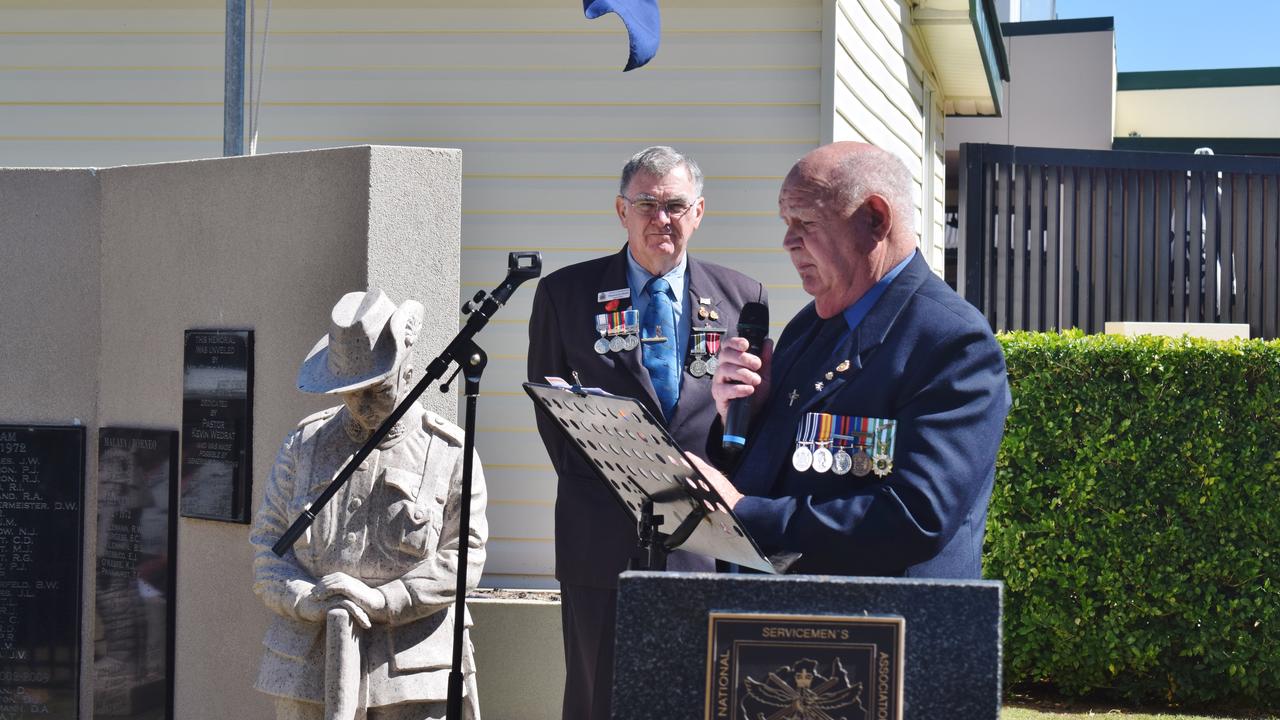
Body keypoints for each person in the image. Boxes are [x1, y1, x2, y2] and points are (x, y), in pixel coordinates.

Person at [692, 141, 1010, 579]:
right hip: (779, 620)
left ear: (875, 219)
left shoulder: (952, 342)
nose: (788, 242)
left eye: (805, 222)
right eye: (786, 223)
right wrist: (745, 417)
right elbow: (784, 471)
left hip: (886, 630)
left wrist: (746, 512)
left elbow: (916, 516)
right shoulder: (810, 326)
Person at [527, 146, 767, 720]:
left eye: (677, 205)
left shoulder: (743, 297)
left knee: (697, 699)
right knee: (598, 701)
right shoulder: (565, 295)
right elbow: (554, 423)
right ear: (621, 210)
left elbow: (749, 421)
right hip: (600, 539)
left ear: (699, 212)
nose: (663, 218)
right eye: (648, 204)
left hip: (703, 542)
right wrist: (623, 480)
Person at [250, 289, 487, 720]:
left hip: (411, 673)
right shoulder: (304, 447)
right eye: (350, 392)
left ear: (409, 370)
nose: (362, 405)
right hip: (308, 671)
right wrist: (303, 598)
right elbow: (268, 546)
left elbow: (465, 554)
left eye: (376, 389)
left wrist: (385, 600)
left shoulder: (449, 453)